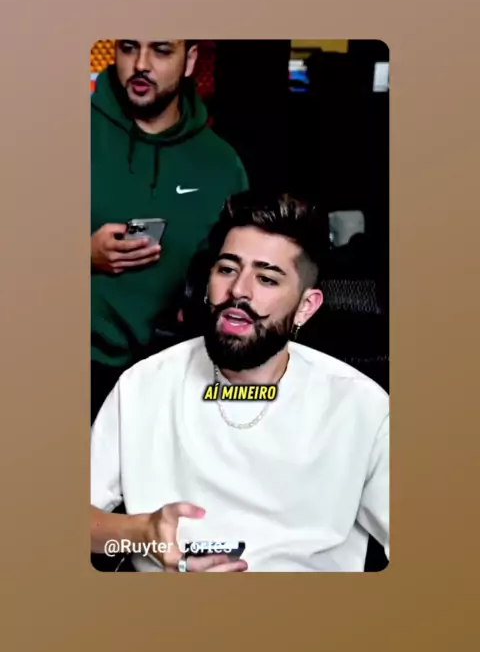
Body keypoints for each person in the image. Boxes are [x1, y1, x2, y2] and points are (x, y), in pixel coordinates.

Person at [91, 192, 389, 572]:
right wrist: (143, 532)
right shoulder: (143, 385)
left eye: (266, 278)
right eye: (227, 269)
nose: (238, 291)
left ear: (306, 306)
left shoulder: (362, 406)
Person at [91, 39, 249, 422]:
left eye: (161, 50)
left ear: (190, 60)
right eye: (129, 48)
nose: (141, 64)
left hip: (171, 377)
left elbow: (239, 267)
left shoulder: (222, 164)